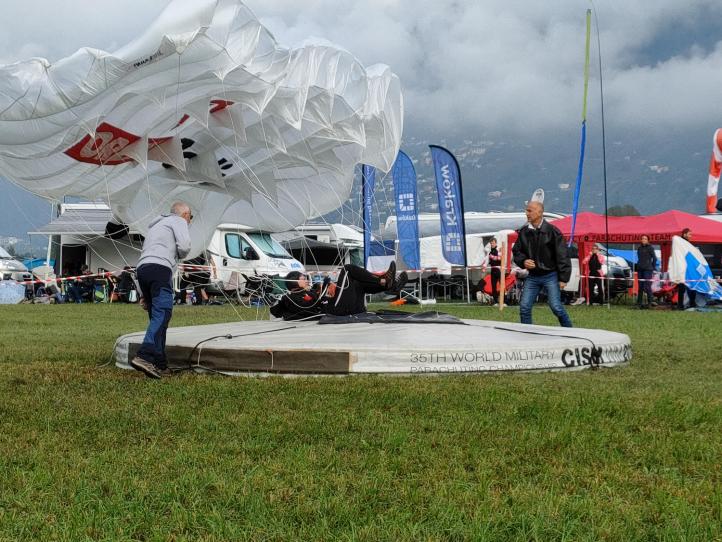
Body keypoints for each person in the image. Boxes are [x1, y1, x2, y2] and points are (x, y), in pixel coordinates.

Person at [130, 202, 192, 379]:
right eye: (190, 217)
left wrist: (143, 294)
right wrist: (180, 254)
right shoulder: (178, 221)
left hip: (143, 270)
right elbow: (185, 246)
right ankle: (145, 355)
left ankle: (160, 364)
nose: (189, 222)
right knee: (163, 314)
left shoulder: (155, 226)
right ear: (185, 214)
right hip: (160, 269)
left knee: (157, 318)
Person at [270, 263, 407, 320]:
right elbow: (308, 307)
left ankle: (388, 286)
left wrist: (324, 290)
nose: (306, 279)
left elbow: (316, 300)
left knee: (356, 283)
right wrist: (322, 292)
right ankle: (383, 281)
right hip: (333, 311)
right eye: (303, 278)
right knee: (347, 269)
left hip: (344, 307)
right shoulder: (291, 298)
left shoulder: (310, 290)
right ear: (295, 282)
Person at [512, 201, 573, 327]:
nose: (526, 213)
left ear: (540, 212)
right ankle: (527, 333)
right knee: (524, 307)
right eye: (526, 210)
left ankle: (570, 330)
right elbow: (517, 251)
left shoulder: (553, 232)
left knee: (556, 307)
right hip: (533, 276)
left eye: (530, 210)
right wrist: (523, 261)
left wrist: (563, 278)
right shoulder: (523, 232)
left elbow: (563, 255)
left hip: (550, 275)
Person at [676, 228, 697, 310]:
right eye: (689, 234)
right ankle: (680, 305)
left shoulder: (688, 243)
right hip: (682, 269)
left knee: (692, 286)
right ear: (684, 234)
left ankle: (692, 303)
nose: (690, 236)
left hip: (689, 269)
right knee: (681, 288)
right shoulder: (680, 243)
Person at [636, 234, 656, 309]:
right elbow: (639, 258)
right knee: (640, 287)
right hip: (640, 269)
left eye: (645, 239)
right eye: (642, 238)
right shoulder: (639, 248)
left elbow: (654, 258)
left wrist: (652, 267)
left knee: (648, 287)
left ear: (648, 240)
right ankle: (639, 303)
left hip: (648, 269)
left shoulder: (650, 248)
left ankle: (650, 302)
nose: (643, 240)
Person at [482, 238, 503, 304]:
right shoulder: (489, 251)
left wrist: (492, 257)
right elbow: (487, 260)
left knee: (501, 285)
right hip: (493, 270)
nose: (492, 244)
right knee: (493, 286)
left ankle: (504, 300)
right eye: (491, 243)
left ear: (496, 243)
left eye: (493, 243)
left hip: (499, 270)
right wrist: (484, 267)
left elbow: (499, 258)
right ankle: (495, 301)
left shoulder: (499, 250)